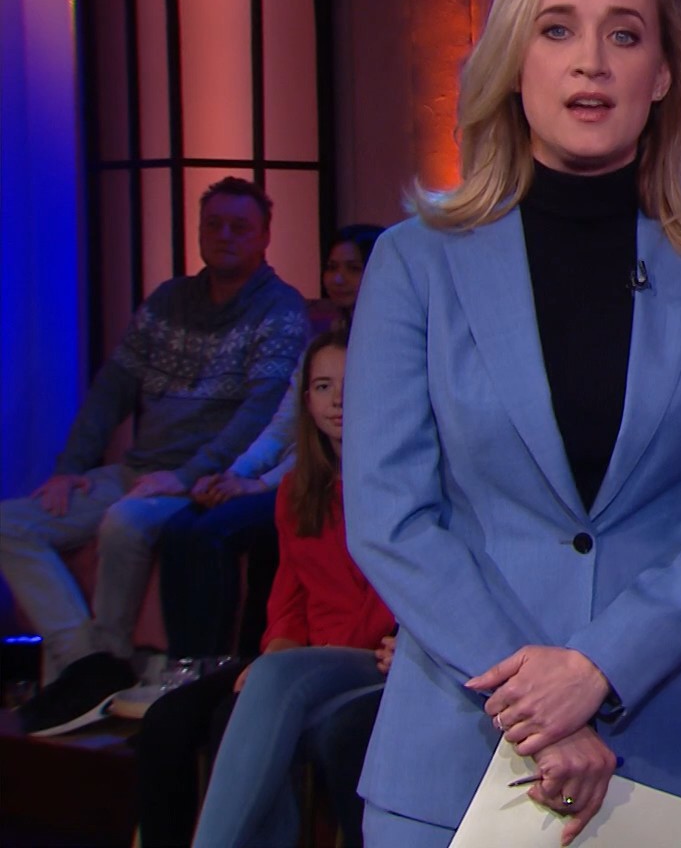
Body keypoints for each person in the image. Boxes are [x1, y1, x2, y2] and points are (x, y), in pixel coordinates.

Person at [344, 0, 681, 845]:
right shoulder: (415, 263)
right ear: (515, 63)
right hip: (460, 749)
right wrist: (537, 701)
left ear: (661, 75)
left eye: (624, 34)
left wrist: (599, 668)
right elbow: (391, 516)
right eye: (557, 30)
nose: (591, 60)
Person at [2, 177, 310, 735]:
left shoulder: (279, 309)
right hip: (136, 468)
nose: (224, 235)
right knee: (11, 523)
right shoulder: (168, 300)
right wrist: (69, 469)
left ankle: (105, 658)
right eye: (213, 224)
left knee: (125, 522)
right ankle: (87, 660)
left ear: (265, 236)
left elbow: (260, 415)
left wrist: (188, 475)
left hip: (204, 477)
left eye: (239, 226)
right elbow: (111, 390)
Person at [135, 330, 396, 847]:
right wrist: (279, 648)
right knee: (179, 715)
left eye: (352, 383)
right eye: (323, 386)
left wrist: (292, 663)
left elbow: (389, 597)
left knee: (278, 692)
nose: (338, 400)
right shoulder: (297, 491)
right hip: (305, 658)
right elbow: (290, 596)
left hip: (374, 658)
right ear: (307, 402)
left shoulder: (404, 483)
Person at [160, 224, 385, 665]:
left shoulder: (393, 349)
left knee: (226, 534)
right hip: (304, 475)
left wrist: (260, 485)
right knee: (179, 528)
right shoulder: (320, 343)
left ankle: (224, 657)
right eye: (332, 267)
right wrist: (237, 475)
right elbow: (287, 423)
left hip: (360, 655)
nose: (339, 279)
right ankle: (191, 666)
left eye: (353, 268)